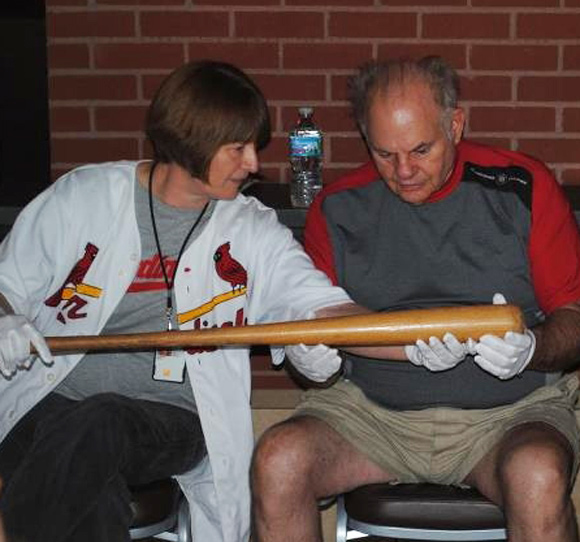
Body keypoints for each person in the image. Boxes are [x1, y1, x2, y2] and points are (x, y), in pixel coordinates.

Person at [0, 60, 409, 542]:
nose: (254, 164)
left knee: (100, 420)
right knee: (92, 481)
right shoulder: (85, 196)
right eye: (237, 148)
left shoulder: (249, 229)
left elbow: (324, 307)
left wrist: (420, 342)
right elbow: (7, 284)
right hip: (48, 402)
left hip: (171, 417)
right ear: (188, 141)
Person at [251, 56, 580, 542]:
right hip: (371, 415)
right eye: (384, 153)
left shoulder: (523, 186)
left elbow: (574, 319)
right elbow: (316, 328)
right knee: (279, 460)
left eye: (421, 149)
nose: (404, 171)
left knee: (539, 474)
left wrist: (531, 348)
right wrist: (311, 359)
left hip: (508, 416)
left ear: (456, 124)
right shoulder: (338, 207)